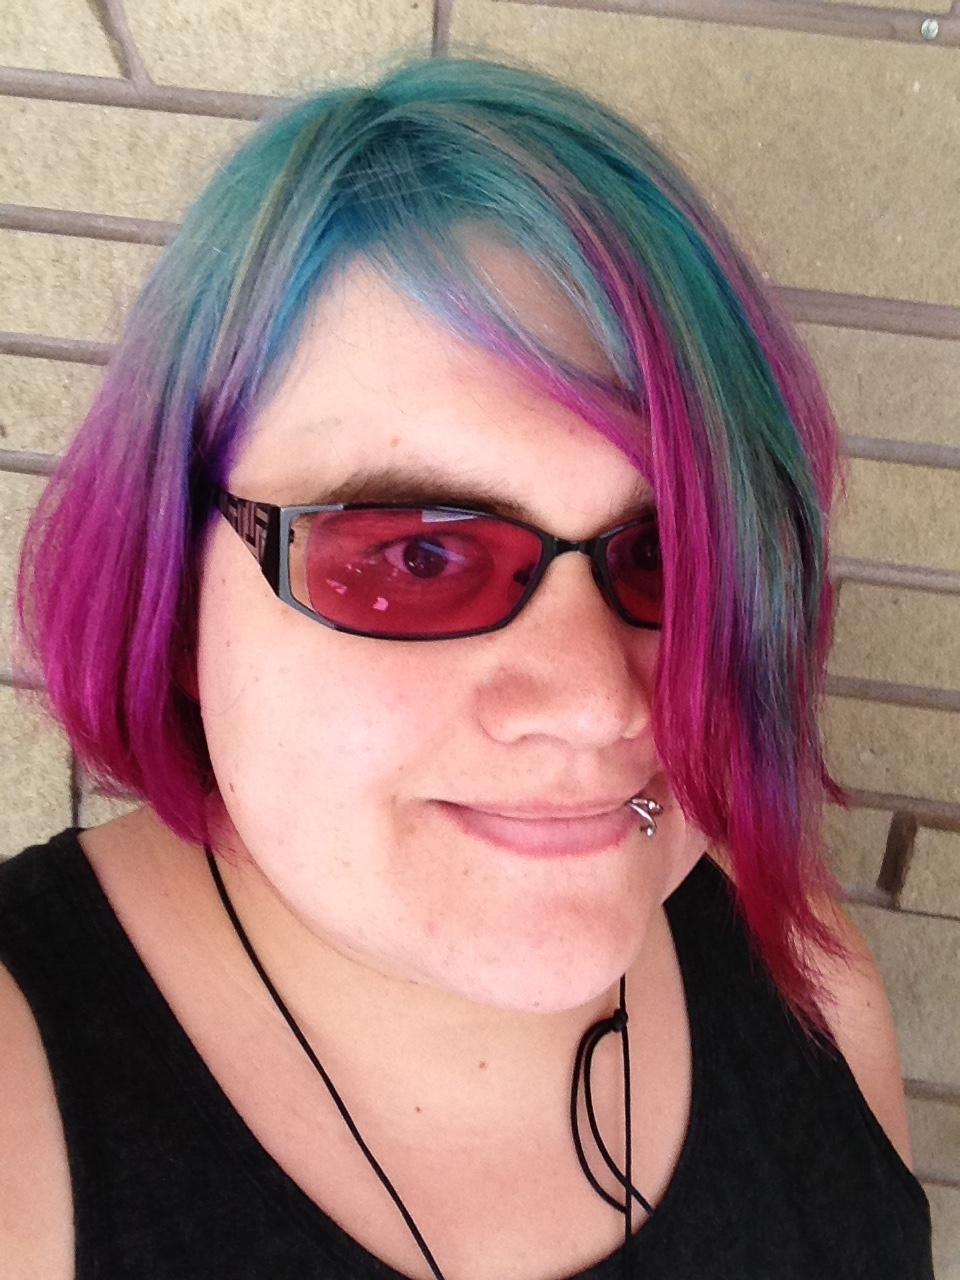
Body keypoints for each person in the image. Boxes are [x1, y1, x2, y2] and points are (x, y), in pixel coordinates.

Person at [1, 55, 933, 1280]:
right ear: (173, 597)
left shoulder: (810, 981)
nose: (596, 701)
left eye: (671, 551)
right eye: (419, 554)